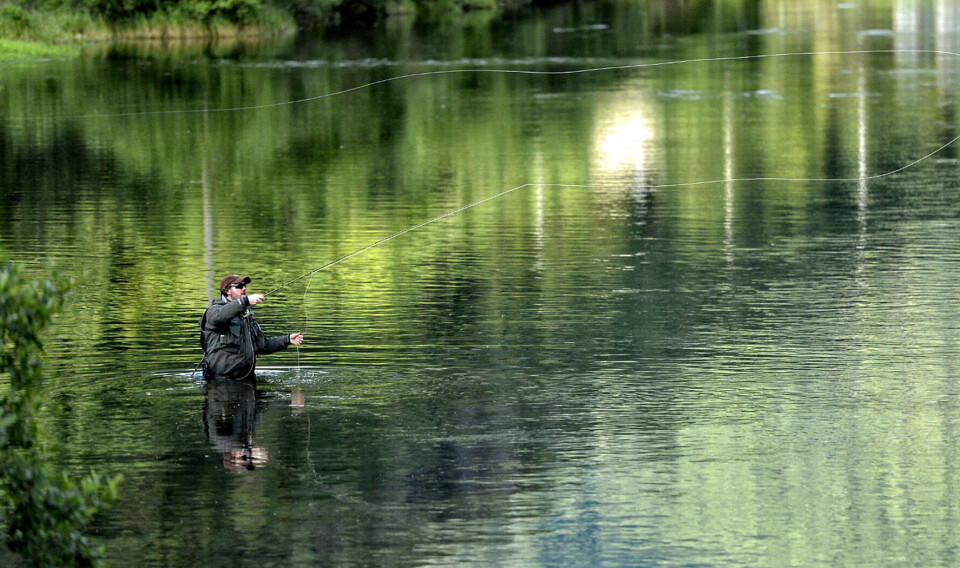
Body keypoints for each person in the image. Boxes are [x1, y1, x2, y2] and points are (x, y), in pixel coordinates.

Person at [199, 274, 304, 381]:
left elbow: (263, 345)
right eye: (239, 286)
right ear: (227, 291)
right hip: (221, 383)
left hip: (246, 379)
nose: (244, 288)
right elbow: (220, 316)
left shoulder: (245, 315)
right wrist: (245, 302)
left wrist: (287, 339)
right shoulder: (213, 311)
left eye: (245, 286)